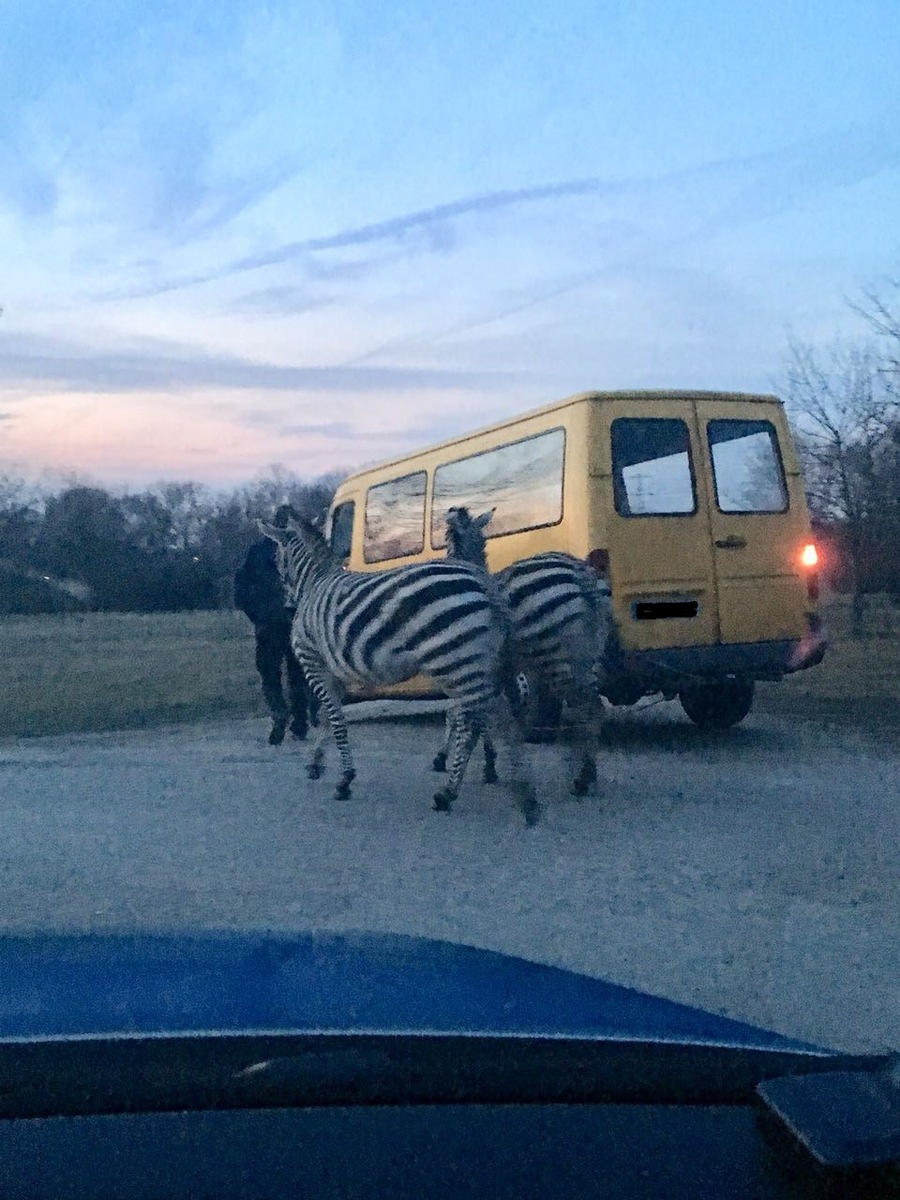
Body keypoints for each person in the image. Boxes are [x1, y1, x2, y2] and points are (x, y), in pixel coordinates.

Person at [233, 504, 319, 744]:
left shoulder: (257, 552)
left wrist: (255, 614)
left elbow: (240, 588)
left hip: (267, 623)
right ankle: (300, 722)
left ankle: (279, 712)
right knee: (299, 673)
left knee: (269, 673)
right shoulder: (302, 551)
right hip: (294, 621)